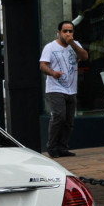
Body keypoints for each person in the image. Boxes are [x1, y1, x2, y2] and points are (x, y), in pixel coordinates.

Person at [39, 20, 89, 158]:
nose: (68, 34)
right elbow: (42, 65)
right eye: (65, 31)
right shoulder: (50, 47)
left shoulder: (75, 45)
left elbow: (84, 56)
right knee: (59, 116)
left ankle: (63, 147)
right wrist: (52, 73)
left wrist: (72, 43)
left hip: (71, 89)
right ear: (59, 32)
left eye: (70, 31)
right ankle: (52, 146)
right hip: (55, 88)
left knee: (69, 121)